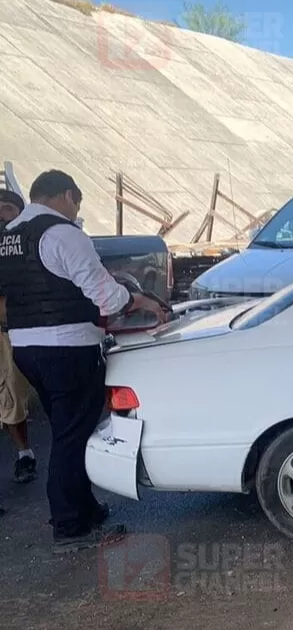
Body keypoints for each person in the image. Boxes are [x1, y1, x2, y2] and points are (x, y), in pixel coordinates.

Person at [0, 170, 165, 552]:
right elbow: (105, 295)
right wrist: (138, 300)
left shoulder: (9, 237)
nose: (76, 211)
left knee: (65, 430)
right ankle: (70, 525)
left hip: (27, 348)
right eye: (77, 202)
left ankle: (84, 508)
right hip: (67, 348)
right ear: (67, 195)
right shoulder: (63, 234)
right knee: (72, 437)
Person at [0, 190, 37, 486]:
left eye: (7, 209)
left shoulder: (29, 244)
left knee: (13, 394)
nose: (1, 216)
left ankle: (25, 454)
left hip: (14, 332)